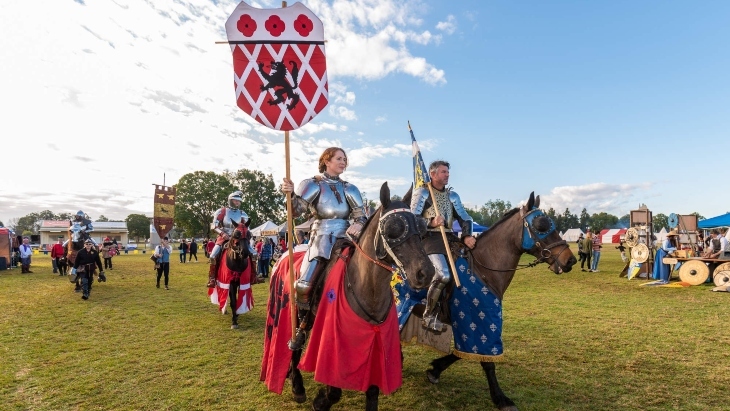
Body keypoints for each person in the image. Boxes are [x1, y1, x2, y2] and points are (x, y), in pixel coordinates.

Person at [280, 146, 367, 350]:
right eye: (339, 158)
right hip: (322, 238)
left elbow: (360, 214)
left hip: (347, 238)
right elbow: (296, 211)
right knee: (304, 285)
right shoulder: (312, 184)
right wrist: (289, 195)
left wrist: (359, 224)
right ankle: (302, 325)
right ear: (326, 161)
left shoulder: (350, 188)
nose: (343, 161)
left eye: (345, 159)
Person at [410, 160, 476, 332]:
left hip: (450, 238)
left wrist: (467, 234)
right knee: (443, 275)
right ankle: (428, 316)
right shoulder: (422, 193)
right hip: (429, 239)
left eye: (448, 172)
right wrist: (430, 222)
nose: (447, 175)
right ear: (433, 174)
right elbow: (412, 220)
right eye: (443, 172)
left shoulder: (452, 196)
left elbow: (465, 217)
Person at [207, 190, 252, 287]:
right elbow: (214, 226)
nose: (237, 203)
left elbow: (247, 227)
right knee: (213, 256)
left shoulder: (242, 213)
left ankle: (254, 276)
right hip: (224, 237)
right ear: (230, 201)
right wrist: (222, 233)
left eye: (239, 201)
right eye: (236, 201)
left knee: (254, 253)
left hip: (239, 238)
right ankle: (212, 278)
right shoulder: (222, 211)